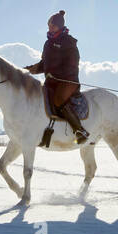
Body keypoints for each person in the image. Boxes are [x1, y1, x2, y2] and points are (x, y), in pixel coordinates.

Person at [24, 10, 88, 144]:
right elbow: (43, 64)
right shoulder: (47, 44)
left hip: (67, 81)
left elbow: (73, 63)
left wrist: (59, 75)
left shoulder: (68, 42)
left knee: (58, 100)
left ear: (59, 26)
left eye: (52, 26)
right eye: (49, 26)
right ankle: (45, 132)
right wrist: (28, 70)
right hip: (52, 81)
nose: (50, 28)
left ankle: (79, 130)